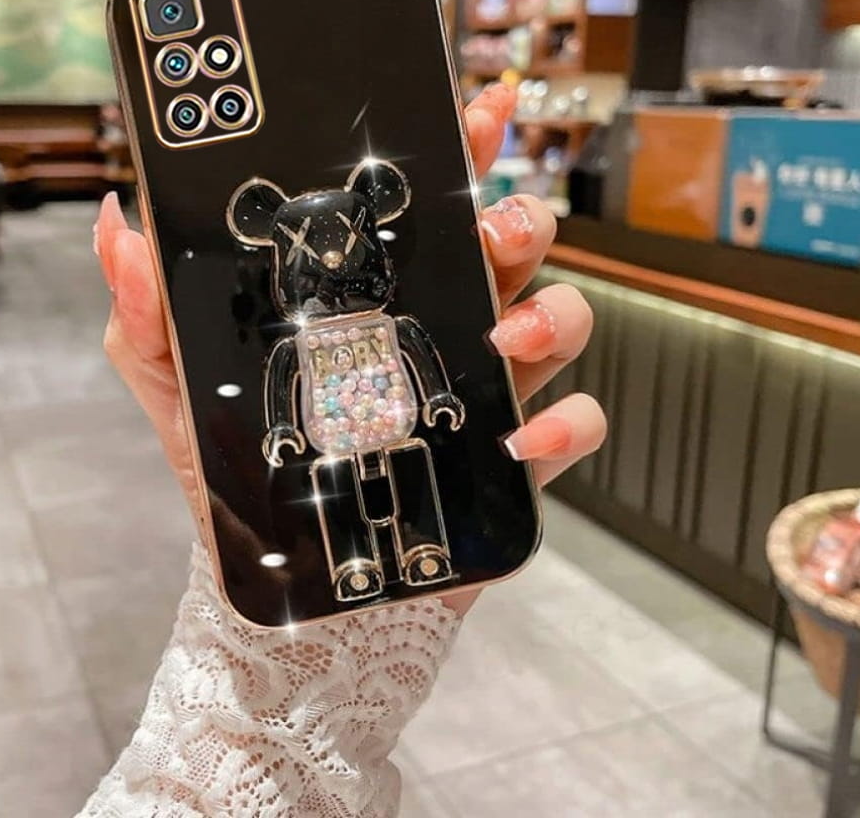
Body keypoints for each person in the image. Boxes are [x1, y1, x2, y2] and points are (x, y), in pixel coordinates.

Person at [80, 83, 606, 817]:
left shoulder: (392, 324)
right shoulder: (299, 342)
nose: (332, 267)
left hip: (396, 422)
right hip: (331, 435)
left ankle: (422, 549)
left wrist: (443, 397)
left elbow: (421, 356)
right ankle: (353, 561)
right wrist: (281, 430)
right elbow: (282, 382)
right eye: (312, 257)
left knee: (412, 471)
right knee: (337, 494)